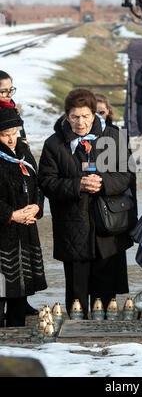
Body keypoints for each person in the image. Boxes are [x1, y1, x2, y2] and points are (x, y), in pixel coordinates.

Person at [38, 88, 134, 318]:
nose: (80, 122)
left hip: (107, 225)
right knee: (77, 290)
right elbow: (46, 182)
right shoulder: (54, 144)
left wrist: (102, 183)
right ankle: (76, 341)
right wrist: (77, 185)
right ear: (66, 116)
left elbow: (126, 175)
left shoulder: (113, 137)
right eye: (74, 117)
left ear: (94, 114)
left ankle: (106, 339)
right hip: (73, 226)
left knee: (105, 290)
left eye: (85, 116)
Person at [0, 108, 47, 327]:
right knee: (2, 287)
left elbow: (38, 185)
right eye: (4, 134)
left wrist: (36, 207)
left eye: (14, 132)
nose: (10, 138)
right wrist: (11, 214)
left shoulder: (24, 153)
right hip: (4, 231)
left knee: (19, 288)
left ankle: (16, 331)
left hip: (25, 229)